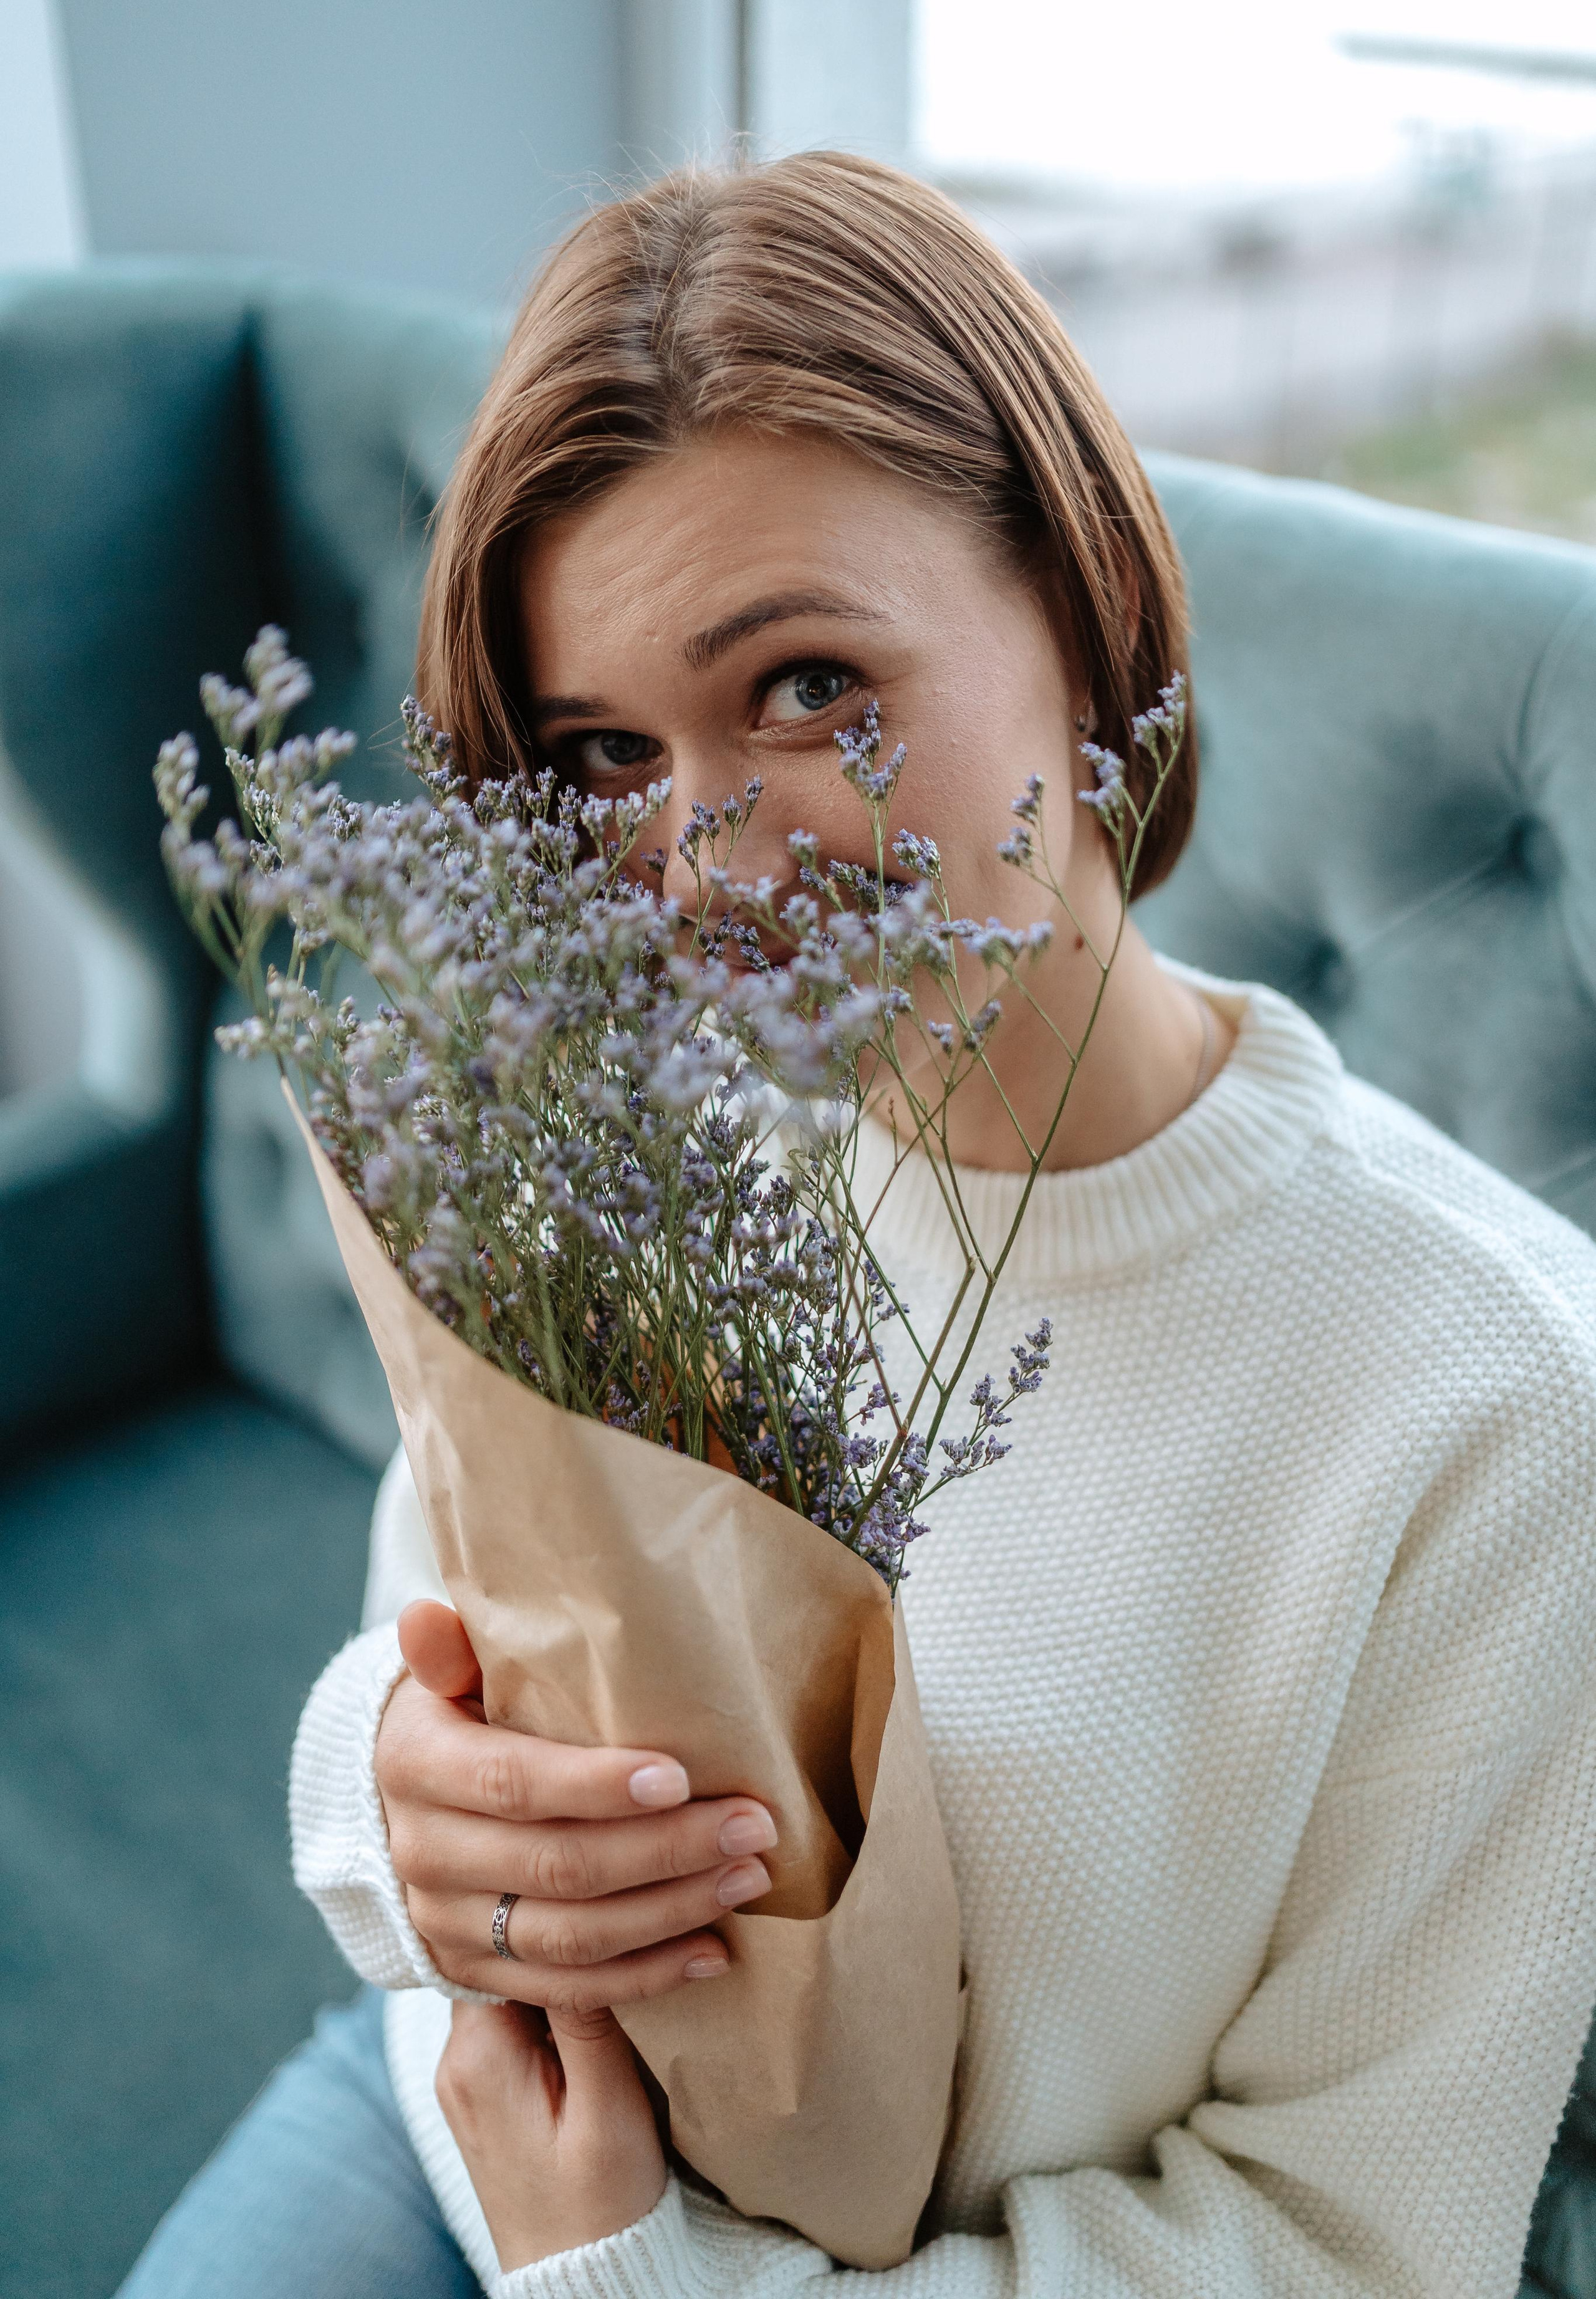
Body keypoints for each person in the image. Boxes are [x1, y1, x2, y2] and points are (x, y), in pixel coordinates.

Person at [120, 153, 1596, 2299]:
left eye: (809, 687)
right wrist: (388, 1797)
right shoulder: (613, 1116)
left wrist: (634, 2274)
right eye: (605, 754)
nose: (702, 866)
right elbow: (437, 1612)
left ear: (1085, 628)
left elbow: (1334, 2248)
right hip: (445, 2107)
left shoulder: (1497, 1403)